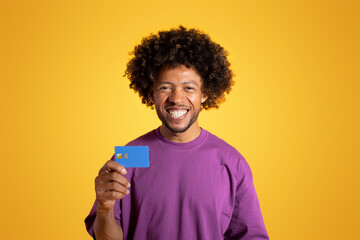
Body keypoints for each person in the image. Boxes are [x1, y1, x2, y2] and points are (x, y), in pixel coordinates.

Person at [85, 26, 269, 240]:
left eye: (189, 88)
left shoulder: (230, 162)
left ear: (205, 94)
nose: (177, 99)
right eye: (165, 87)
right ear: (151, 93)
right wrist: (105, 208)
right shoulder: (131, 156)